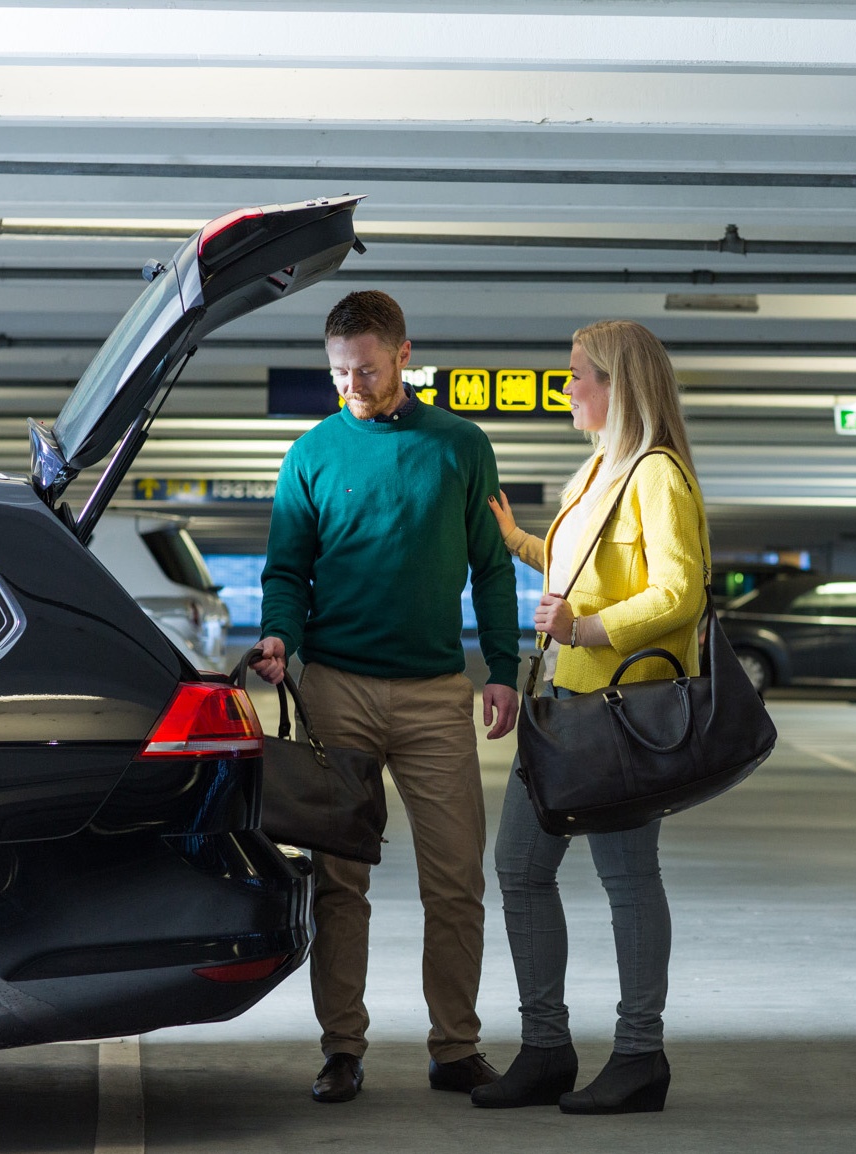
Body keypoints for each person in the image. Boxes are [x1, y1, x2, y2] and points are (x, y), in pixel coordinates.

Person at [250, 290, 520, 1103]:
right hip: (336, 690)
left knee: (456, 880)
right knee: (339, 882)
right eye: (337, 371)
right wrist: (277, 636)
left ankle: (455, 1046)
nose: (351, 385)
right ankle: (340, 1048)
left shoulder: (460, 446)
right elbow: (286, 569)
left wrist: (502, 668)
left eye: (364, 368)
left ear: (405, 355)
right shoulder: (311, 454)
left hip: (437, 695)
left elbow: (492, 566)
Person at [474, 319, 707, 1115]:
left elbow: (679, 590)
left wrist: (587, 629)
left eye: (578, 374)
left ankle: (640, 1055)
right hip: (563, 707)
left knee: (625, 876)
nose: (566, 387)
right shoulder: (595, 472)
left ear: (620, 384)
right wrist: (515, 541)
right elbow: (583, 569)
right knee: (519, 867)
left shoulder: (655, 474)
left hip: (620, 713)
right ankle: (545, 1047)